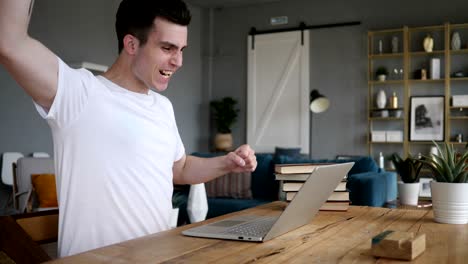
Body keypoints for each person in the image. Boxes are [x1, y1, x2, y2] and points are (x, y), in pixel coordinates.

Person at [0, 0, 257, 257]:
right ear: (132, 44)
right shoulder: (79, 93)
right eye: (167, 48)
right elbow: (10, 42)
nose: (178, 61)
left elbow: (179, 168)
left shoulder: (162, 107)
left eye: (181, 49)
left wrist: (227, 163)